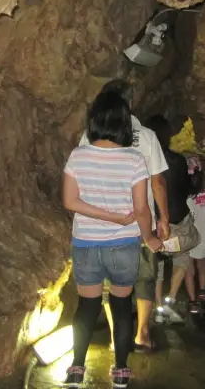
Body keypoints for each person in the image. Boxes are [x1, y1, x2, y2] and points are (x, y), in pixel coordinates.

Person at [62, 91, 163, 388]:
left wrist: (104, 216)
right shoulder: (133, 159)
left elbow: (70, 201)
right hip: (123, 245)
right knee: (121, 307)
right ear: (124, 126)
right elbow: (141, 209)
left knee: (87, 307)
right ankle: (120, 370)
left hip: (86, 245)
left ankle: (76, 370)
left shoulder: (78, 155)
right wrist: (150, 238)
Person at [79, 79, 170, 353]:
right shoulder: (147, 136)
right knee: (144, 279)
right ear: (130, 103)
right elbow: (158, 182)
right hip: (141, 226)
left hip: (104, 226)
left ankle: (114, 338)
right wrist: (163, 219)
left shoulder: (90, 137)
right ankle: (141, 334)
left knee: (110, 282)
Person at [145, 115, 200, 323]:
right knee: (184, 255)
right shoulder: (177, 161)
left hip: (154, 224)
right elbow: (186, 189)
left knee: (157, 262)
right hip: (177, 221)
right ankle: (171, 300)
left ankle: (158, 306)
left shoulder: (143, 162)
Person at [184, 155, 205, 313]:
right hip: (204, 236)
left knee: (189, 269)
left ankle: (192, 301)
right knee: (202, 265)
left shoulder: (185, 197)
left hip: (190, 237)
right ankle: (202, 294)